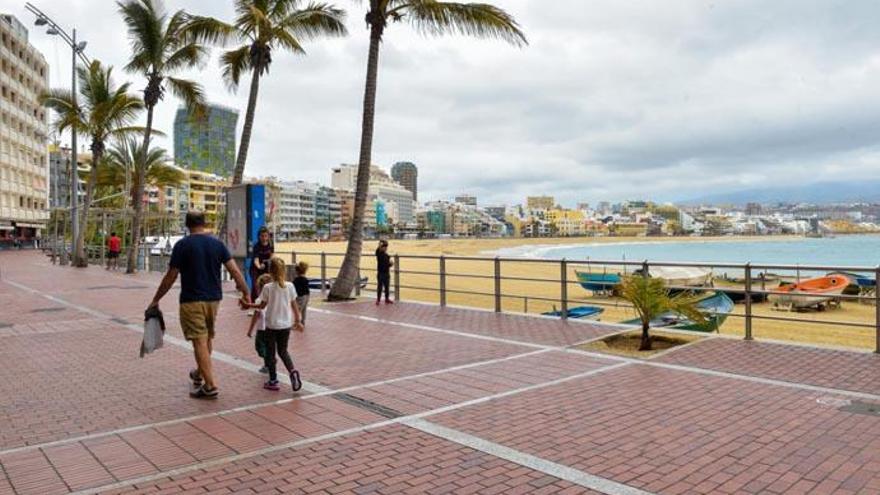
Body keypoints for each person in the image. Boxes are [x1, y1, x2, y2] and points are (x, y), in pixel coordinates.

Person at [147, 211, 250, 400]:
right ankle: (200, 373)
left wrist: (156, 299)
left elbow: (171, 276)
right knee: (207, 338)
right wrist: (246, 292)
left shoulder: (183, 245)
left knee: (199, 341)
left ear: (187, 225)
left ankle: (210, 386)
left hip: (191, 300)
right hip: (213, 300)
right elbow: (234, 270)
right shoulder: (217, 244)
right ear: (204, 223)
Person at [247, 257, 303, 392]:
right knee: (283, 351)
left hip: (271, 326)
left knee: (271, 354)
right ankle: (292, 371)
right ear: (284, 270)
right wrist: (298, 321)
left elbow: (261, 306)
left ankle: (273, 380)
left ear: (270, 271)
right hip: (286, 325)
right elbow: (295, 306)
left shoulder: (267, 288)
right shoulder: (290, 286)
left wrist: (247, 305)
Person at [248, 273, 273, 373]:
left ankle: (268, 362)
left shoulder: (259, 300)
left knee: (259, 346)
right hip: (271, 327)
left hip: (262, 329)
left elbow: (255, 316)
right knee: (269, 346)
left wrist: (250, 330)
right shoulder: (273, 299)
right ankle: (269, 362)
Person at [249, 227, 274, 307]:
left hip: (266, 268)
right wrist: (259, 266)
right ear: (259, 236)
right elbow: (256, 260)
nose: (264, 238)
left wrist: (271, 262)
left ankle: (265, 304)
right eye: (262, 236)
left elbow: (272, 255)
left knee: (266, 285)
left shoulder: (270, 244)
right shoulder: (256, 246)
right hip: (255, 269)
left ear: (268, 236)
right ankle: (254, 305)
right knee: (255, 286)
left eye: (266, 236)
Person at [292, 262, 310, 327]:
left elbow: (295, 289)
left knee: (298, 310)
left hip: (300, 296)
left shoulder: (296, 280)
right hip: (307, 295)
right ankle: (303, 321)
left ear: (297, 271)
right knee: (304, 309)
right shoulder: (306, 279)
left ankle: (297, 322)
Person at [375, 240, 393, 305]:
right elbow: (377, 250)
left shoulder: (387, 255)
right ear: (381, 247)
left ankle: (387, 299)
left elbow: (387, 265)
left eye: (386, 247)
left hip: (386, 273)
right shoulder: (378, 254)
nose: (385, 248)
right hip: (380, 273)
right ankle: (378, 300)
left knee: (387, 287)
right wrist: (380, 243)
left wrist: (391, 264)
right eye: (384, 247)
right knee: (380, 287)